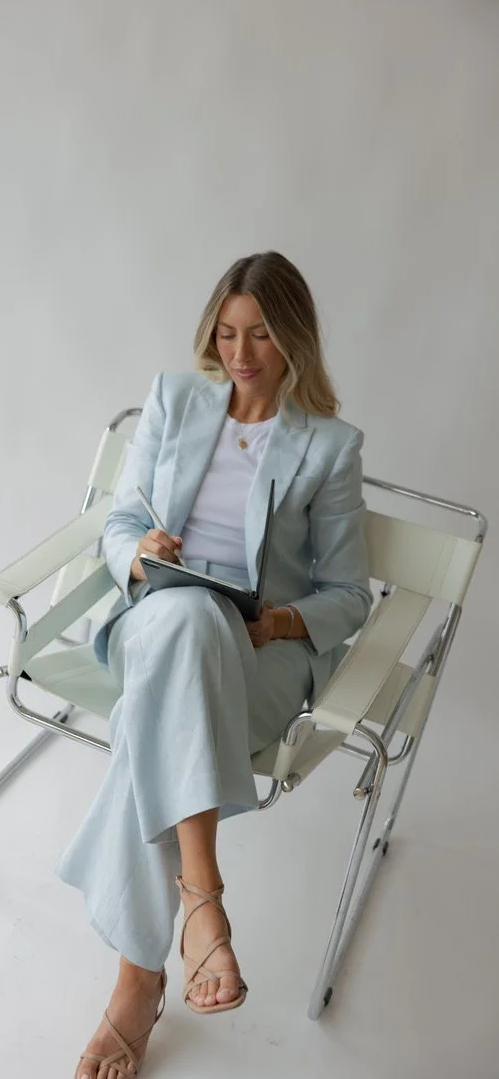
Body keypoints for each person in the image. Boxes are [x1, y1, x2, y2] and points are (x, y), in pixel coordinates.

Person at [58, 251, 372, 1079]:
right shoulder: (173, 401)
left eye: (261, 334)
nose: (240, 353)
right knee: (186, 613)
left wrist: (279, 621)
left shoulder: (330, 447)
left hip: (257, 651)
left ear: (292, 338)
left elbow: (349, 594)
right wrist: (142, 553)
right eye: (227, 333)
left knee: (155, 703)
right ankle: (203, 900)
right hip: (158, 621)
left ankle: (138, 980)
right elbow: (120, 521)